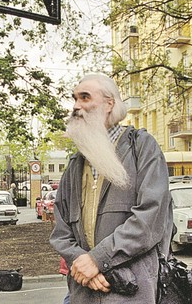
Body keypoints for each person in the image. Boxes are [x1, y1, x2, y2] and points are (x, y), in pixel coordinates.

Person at [50, 73, 174, 303]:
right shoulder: (76, 163)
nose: (76, 106)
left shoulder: (142, 147)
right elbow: (61, 231)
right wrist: (83, 263)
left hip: (131, 290)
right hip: (83, 291)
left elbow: (151, 218)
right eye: (75, 98)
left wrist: (98, 259)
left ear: (109, 104)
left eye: (85, 97)